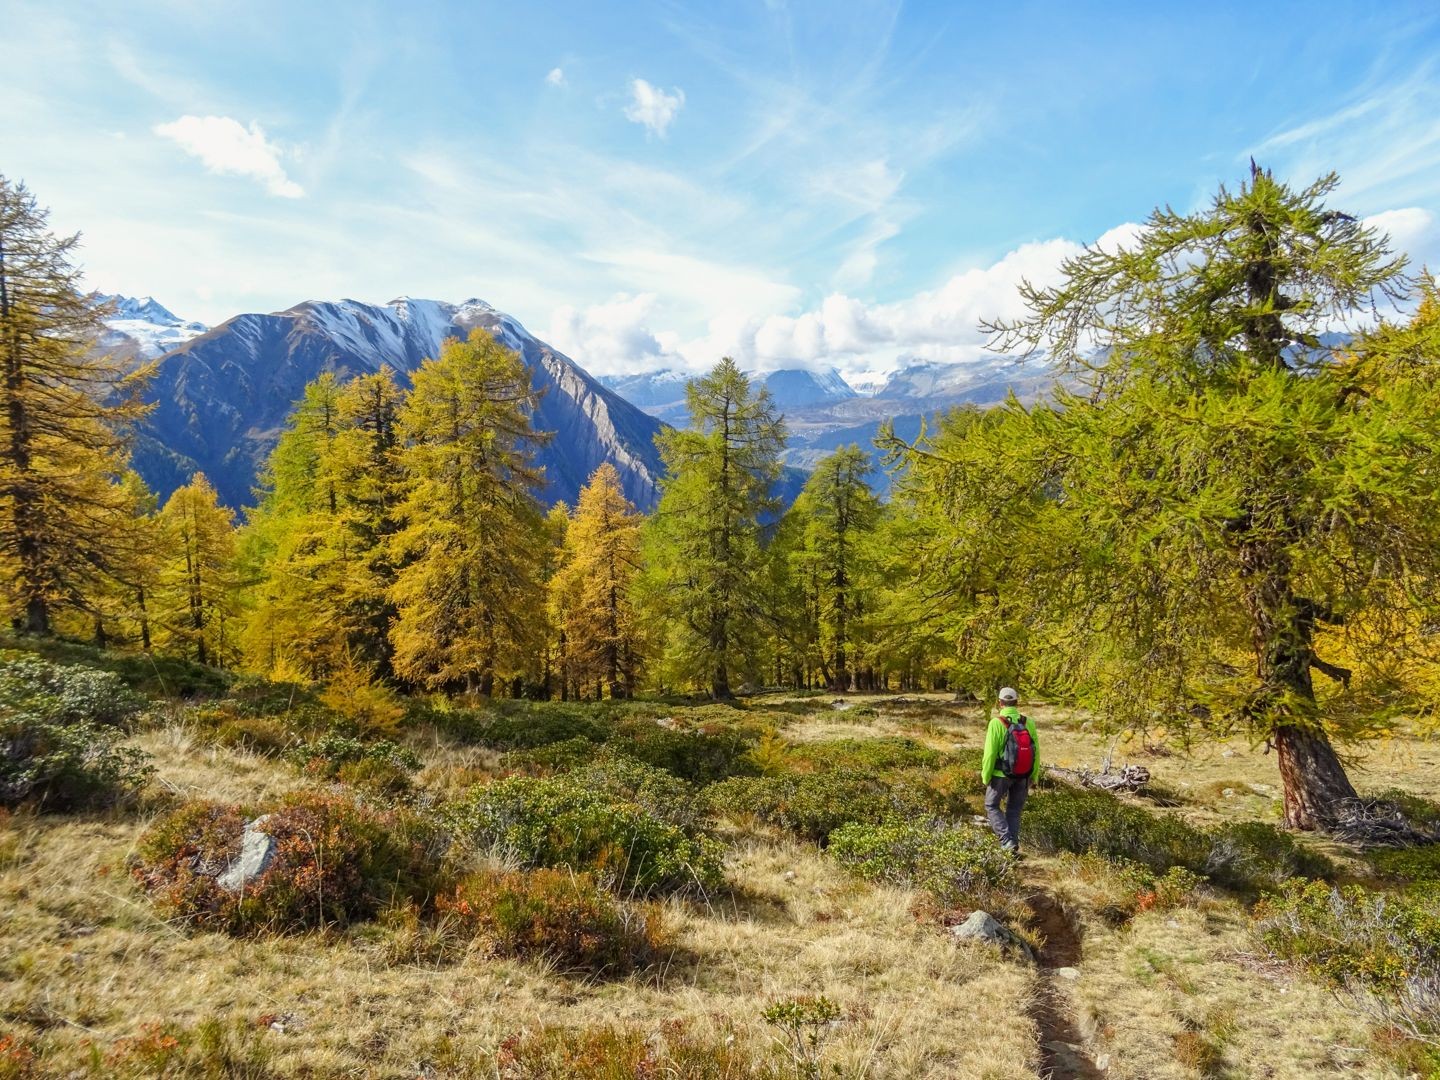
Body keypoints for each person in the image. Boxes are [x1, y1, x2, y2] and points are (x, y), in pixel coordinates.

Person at [980, 686, 1039, 857]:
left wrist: (986, 776)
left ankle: (1006, 841)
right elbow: (1037, 751)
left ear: (999, 703)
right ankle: (1012, 847)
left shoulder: (996, 723)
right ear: (1016, 702)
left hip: (1000, 775)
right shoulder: (1029, 723)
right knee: (1014, 810)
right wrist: (1034, 775)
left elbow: (990, 753)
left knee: (991, 805)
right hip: (1023, 775)